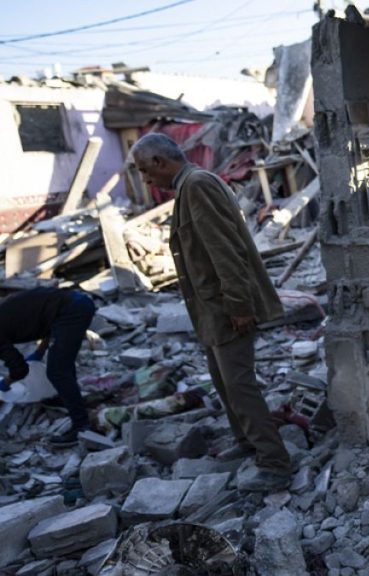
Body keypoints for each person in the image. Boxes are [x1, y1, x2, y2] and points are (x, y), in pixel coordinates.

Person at [131, 133, 291, 492]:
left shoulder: (198, 185)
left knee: (240, 386)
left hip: (225, 309)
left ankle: (275, 463)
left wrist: (238, 305)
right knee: (223, 382)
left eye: (145, 170)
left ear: (160, 162)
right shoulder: (188, 187)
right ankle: (247, 442)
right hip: (211, 310)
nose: (146, 180)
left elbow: (225, 251)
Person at [0, 288, 96, 447]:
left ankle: (82, 427)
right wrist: (39, 351)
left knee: (58, 370)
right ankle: (68, 399)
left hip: (72, 310)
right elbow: (46, 319)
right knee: (62, 364)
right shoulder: (4, 311)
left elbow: (20, 370)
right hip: (75, 303)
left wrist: (5, 383)